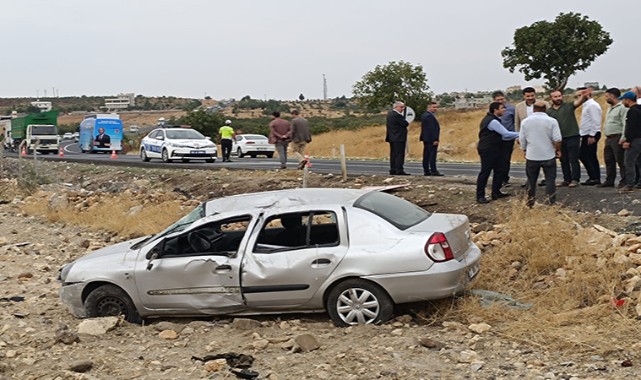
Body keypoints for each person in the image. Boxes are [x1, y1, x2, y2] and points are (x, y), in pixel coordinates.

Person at [519, 101, 562, 207]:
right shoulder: (552, 121)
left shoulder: (525, 121)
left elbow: (522, 139)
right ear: (545, 109)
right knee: (550, 180)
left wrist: (524, 149)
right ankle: (550, 202)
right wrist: (558, 150)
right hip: (548, 155)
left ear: (533, 109)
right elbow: (557, 139)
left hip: (532, 155)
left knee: (531, 180)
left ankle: (530, 202)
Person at [475, 102, 520, 204]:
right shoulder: (492, 121)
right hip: (488, 150)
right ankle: (480, 196)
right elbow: (506, 134)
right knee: (485, 172)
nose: (504, 109)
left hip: (495, 149)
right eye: (502, 108)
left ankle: (496, 192)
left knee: (499, 170)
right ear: (495, 110)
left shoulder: (493, 119)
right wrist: (522, 133)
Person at [546, 89, 588, 187]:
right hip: (559, 139)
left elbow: (578, 102)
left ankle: (575, 179)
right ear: (551, 98)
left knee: (573, 159)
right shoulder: (549, 112)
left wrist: (582, 95)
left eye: (559, 96)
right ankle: (566, 179)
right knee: (563, 159)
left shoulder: (568, 106)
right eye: (555, 97)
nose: (558, 98)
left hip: (572, 136)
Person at [599, 88, 628, 188]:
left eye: (607, 96)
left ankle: (624, 180)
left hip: (617, 136)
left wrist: (624, 137)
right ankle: (609, 180)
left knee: (621, 160)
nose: (606, 98)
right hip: (609, 137)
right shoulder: (610, 108)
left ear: (612, 96)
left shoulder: (622, 108)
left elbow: (625, 123)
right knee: (609, 159)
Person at [577, 88, 602, 185]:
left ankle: (594, 177)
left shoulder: (592, 105)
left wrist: (592, 135)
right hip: (586, 133)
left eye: (580, 95)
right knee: (590, 156)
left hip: (591, 133)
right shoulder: (586, 105)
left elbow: (595, 121)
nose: (579, 98)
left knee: (585, 155)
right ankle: (594, 177)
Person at [492, 91, 515, 187]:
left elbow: (515, 122)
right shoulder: (492, 110)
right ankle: (498, 179)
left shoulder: (512, 109)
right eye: (498, 100)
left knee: (506, 159)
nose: (501, 101)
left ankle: (505, 179)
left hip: (508, 138)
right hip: (496, 138)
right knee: (496, 159)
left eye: (502, 99)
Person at [620, 91, 641, 192]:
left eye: (623, 100)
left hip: (635, 140)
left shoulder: (632, 111)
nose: (622, 102)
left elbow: (631, 127)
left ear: (628, 100)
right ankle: (640, 182)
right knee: (639, 161)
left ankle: (630, 184)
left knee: (629, 162)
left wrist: (627, 140)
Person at [385, 101, 410, 175]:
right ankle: (399, 169)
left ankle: (393, 168)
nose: (403, 109)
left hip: (392, 137)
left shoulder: (390, 114)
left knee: (393, 154)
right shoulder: (397, 115)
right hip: (399, 138)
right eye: (401, 107)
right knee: (399, 154)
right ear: (396, 107)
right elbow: (405, 123)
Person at [419, 102, 443, 176]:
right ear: (429, 107)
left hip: (427, 138)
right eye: (433, 107)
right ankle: (433, 170)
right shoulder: (428, 116)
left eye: (436, 107)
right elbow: (431, 129)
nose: (435, 109)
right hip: (430, 139)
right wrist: (435, 139)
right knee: (431, 155)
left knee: (427, 154)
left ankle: (427, 170)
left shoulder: (426, 115)